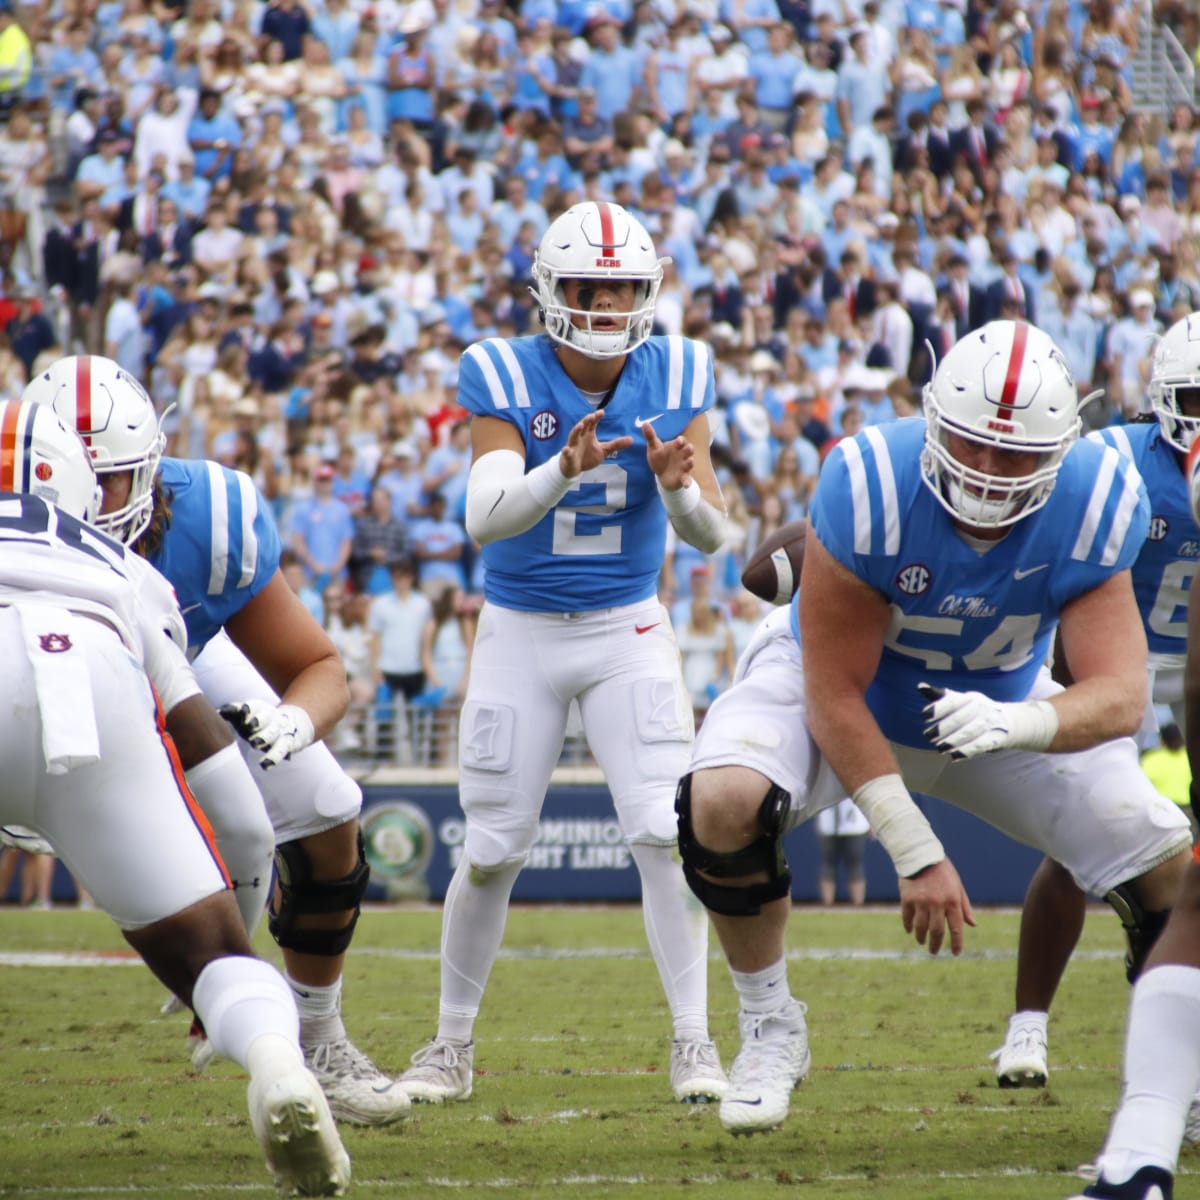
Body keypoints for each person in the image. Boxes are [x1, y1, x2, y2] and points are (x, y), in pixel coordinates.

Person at [678, 320, 1193, 1137]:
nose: (986, 472)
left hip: (994, 703)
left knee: (1164, 856)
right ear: (931, 421)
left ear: (1061, 448)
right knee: (723, 800)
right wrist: (916, 851)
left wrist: (1018, 720)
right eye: (970, 445)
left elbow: (1120, 696)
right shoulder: (869, 478)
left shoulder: (1098, 496)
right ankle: (771, 1029)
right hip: (840, 688)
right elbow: (836, 696)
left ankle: (1179, 1080)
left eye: (1016, 455)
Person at [398, 200, 730, 1107]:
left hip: (628, 626)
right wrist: (562, 470)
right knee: (495, 848)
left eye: (625, 288)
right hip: (520, 629)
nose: (608, 304)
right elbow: (482, 517)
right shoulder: (502, 371)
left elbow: (711, 533)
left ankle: (695, 1042)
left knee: (665, 836)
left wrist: (679, 492)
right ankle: (450, 1046)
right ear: (551, 288)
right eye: (591, 286)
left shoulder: (681, 370)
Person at [22, 355, 410, 1127]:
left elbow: (318, 666)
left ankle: (319, 1038)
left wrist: (290, 722)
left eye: (116, 481)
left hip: (180, 667)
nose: (95, 503)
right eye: (78, 477)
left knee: (328, 801)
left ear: (153, 471)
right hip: (49, 678)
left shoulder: (207, 519)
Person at [993, 313, 1200, 1095]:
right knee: (1086, 839)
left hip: (1199, 665)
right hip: (1119, 662)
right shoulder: (1113, 460)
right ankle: (1028, 1026)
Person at [1063, 438, 1200, 1200]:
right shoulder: (1115, 464)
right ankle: (1140, 1162)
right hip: (1145, 672)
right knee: (1189, 901)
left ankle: (1139, 1165)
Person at [815, 798, 871, 906]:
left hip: (854, 821)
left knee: (854, 863)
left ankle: (858, 906)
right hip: (828, 820)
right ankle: (827, 906)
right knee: (828, 863)